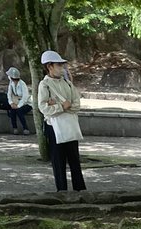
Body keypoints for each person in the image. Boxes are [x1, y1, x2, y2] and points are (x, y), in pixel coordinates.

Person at [37, 50, 86, 193]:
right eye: (58, 65)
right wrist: (61, 106)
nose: (61, 68)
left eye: (62, 65)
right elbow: (43, 107)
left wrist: (58, 105)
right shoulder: (44, 85)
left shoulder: (67, 84)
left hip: (69, 125)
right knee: (58, 161)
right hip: (53, 126)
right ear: (49, 66)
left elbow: (76, 104)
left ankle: (80, 189)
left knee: (74, 159)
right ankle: (62, 191)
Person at [6, 67, 33, 134]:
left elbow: (25, 97)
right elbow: (9, 94)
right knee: (12, 111)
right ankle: (15, 128)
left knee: (19, 111)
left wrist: (18, 106)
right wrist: (11, 103)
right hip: (15, 102)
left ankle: (25, 128)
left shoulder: (22, 84)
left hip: (26, 103)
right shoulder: (11, 83)